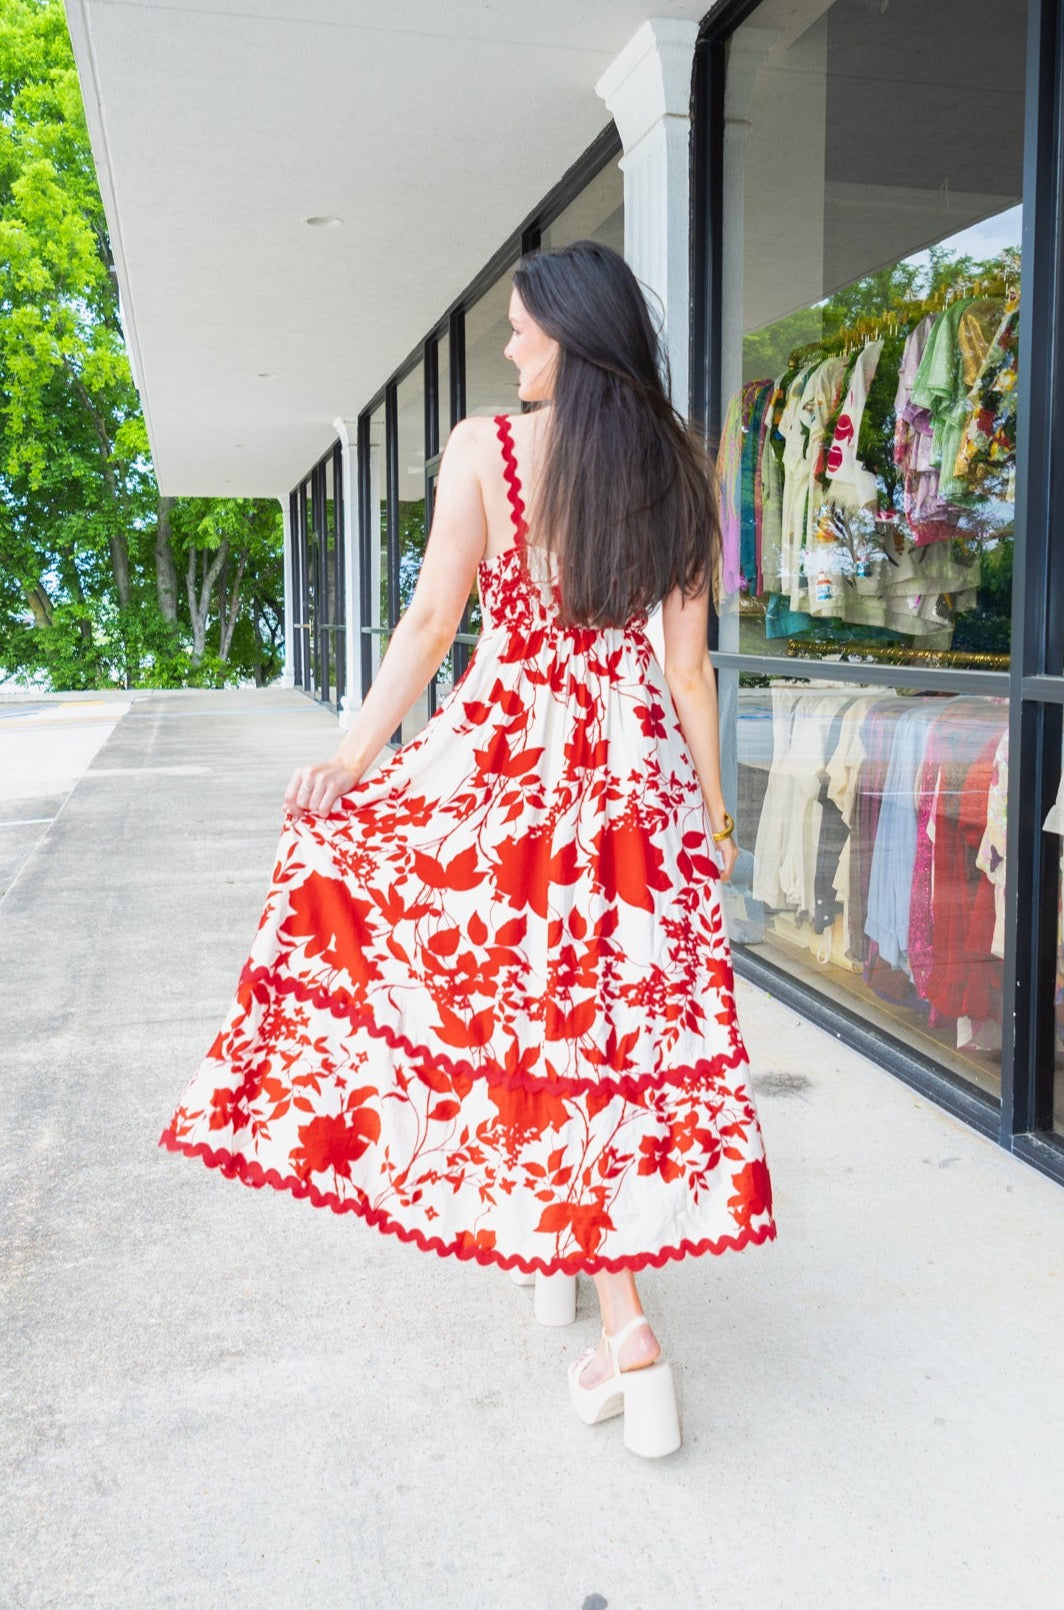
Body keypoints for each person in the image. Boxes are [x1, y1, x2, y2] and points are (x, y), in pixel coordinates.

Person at [160, 240, 775, 1459]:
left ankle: (627, 1329)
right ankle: (570, 1262)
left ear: (568, 333)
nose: (505, 345)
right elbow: (688, 668)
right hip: (633, 781)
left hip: (512, 770)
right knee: (604, 1026)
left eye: (518, 326)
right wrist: (712, 813)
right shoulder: (678, 462)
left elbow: (433, 618)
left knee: (524, 1011)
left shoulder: (488, 448)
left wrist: (354, 756)